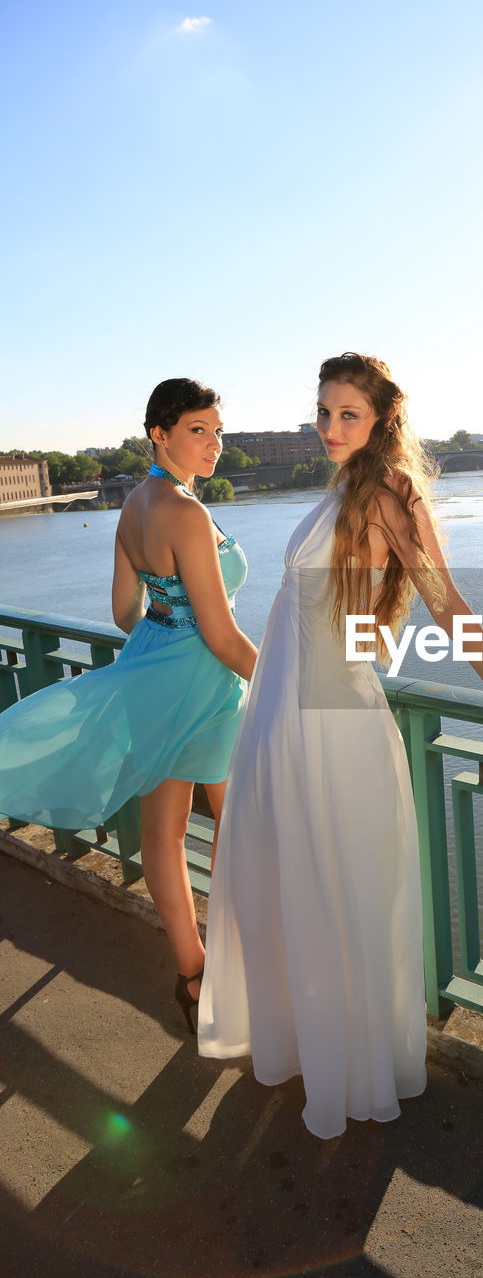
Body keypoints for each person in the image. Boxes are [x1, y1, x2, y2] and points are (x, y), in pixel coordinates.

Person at [198, 352, 483, 1139]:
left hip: (334, 724)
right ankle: (313, 1046)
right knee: (297, 883)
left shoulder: (390, 493)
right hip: (284, 720)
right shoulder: (342, 486)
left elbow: (445, 600)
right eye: (324, 412)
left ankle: (353, 1066)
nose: (330, 428)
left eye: (347, 415)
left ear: (380, 421)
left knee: (340, 888)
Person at [0, 378, 257, 1031]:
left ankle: (194, 975)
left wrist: (168, 628)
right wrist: (289, 681)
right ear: (159, 433)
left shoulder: (136, 503)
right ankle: (234, 963)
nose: (214, 444)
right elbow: (225, 637)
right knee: (238, 823)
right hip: (204, 688)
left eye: (218, 430)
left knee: (163, 834)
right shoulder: (187, 513)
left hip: (155, 672)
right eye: (198, 429)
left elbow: (124, 612)